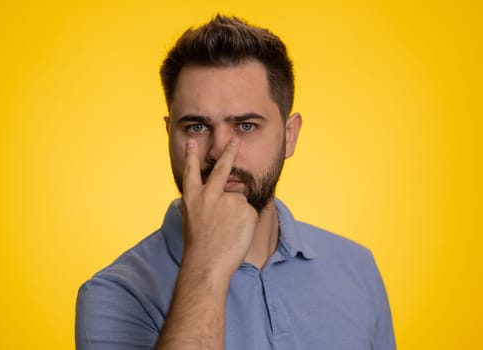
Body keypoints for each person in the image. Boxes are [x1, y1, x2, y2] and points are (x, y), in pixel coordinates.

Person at [75, 15, 396, 350]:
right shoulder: (114, 293)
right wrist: (206, 267)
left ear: (289, 135)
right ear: (169, 134)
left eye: (245, 126)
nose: (218, 152)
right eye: (197, 127)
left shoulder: (356, 268)